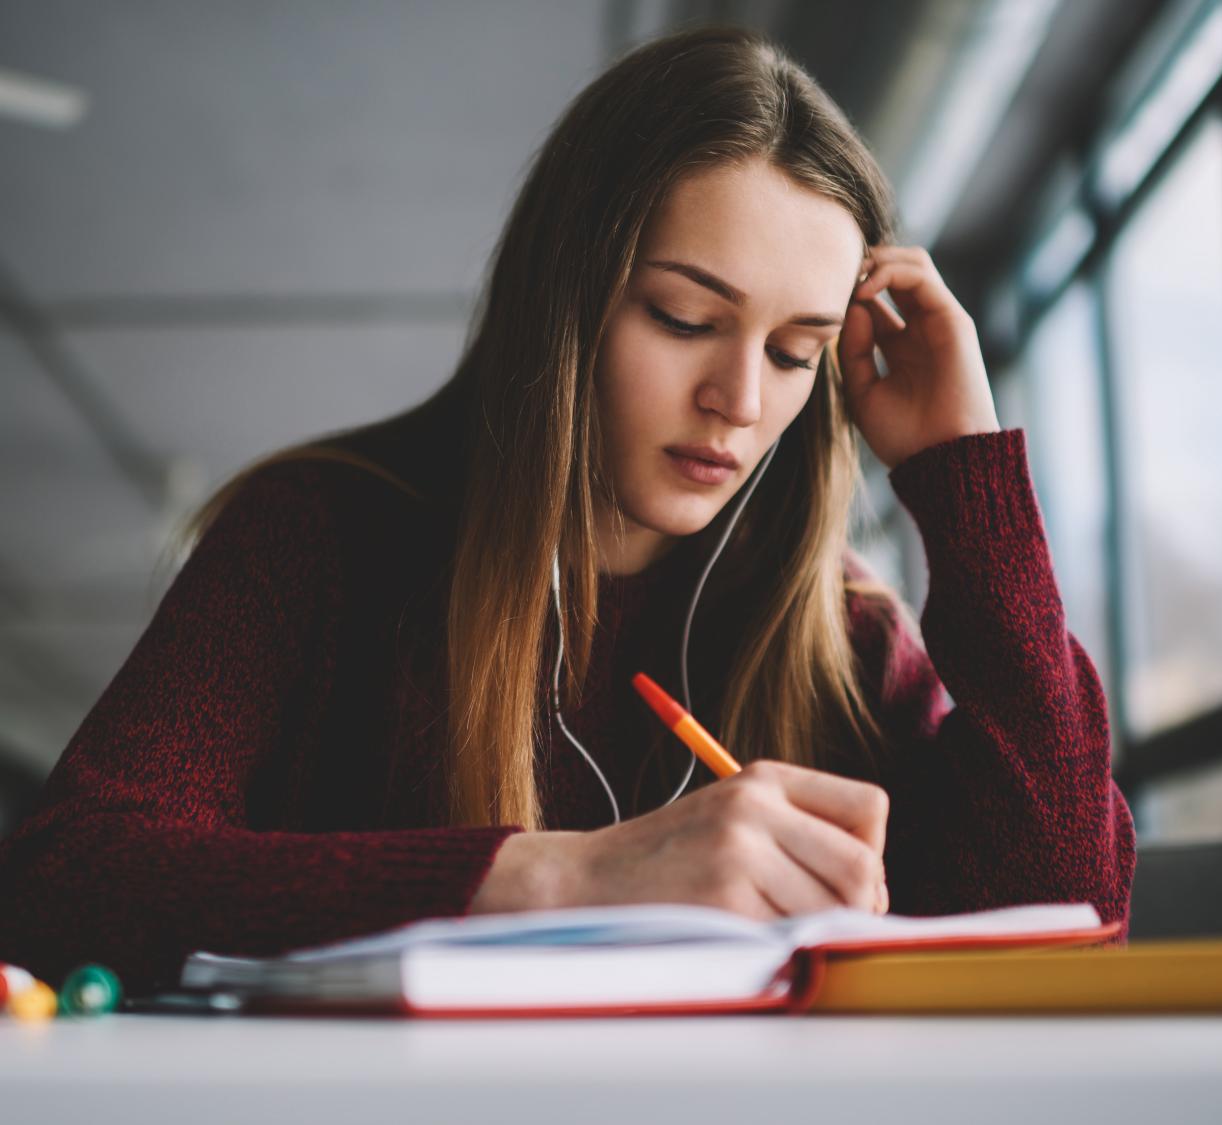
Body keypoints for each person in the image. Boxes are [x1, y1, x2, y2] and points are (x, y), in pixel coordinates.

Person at [0, 26, 1134, 992]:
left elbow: (1073, 913)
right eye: (685, 319)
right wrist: (564, 876)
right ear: (568, 297)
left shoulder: (838, 628)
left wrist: (967, 481)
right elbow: (65, 882)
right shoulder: (320, 537)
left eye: (795, 352)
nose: (739, 403)